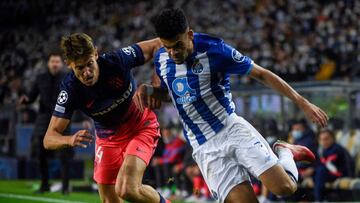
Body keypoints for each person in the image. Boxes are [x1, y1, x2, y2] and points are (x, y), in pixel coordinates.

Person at [134, 8, 329, 203]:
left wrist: (303, 103)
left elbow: (261, 74)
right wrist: (149, 90)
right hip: (203, 146)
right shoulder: (161, 59)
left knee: (284, 188)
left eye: (177, 45)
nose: (173, 52)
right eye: (168, 47)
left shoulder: (216, 50)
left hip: (231, 129)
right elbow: (173, 94)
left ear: (189, 35)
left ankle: (285, 151)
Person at [43, 33, 171, 203]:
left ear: (96, 54)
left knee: (127, 188)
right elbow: (49, 138)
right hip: (107, 139)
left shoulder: (116, 60)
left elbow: (158, 44)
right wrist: (69, 139)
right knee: (109, 200)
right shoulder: (70, 90)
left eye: (89, 64)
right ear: (69, 65)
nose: (87, 73)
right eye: (79, 68)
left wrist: (157, 84)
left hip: (140, 126)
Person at [18, 53, 73, 194]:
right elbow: (32, 96)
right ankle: (44, 184)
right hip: (43, 120)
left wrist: (84, 118)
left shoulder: (68, 77)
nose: (55, 64)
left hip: (63, 119)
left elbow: (77, 97)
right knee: (40, 153)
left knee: (65, 156)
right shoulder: (40, 78)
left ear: (61, 63)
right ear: (48, 63)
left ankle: (65, 187)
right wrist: (26, 100)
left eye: (57, 61)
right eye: (52, 61)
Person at [314, 129, 353, 201]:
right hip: (332, 174)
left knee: (320, 171)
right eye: (321, 139)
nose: (324, 141)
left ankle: (319, 200)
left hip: (342, 174)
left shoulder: (337, 149)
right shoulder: (324, 150)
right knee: (318, 171)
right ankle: (322, 199)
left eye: (326, 139)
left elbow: (330, 166)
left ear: (332, 138)